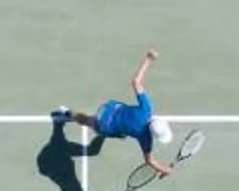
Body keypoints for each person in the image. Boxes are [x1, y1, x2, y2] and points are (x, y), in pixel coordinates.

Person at [51, 47, 178, 180]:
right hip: (103, 124)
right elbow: (150, 161)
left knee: (121, 132)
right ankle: (69, 114)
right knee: (92, 142)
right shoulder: (145, 138)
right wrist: (164, 169)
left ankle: (114, 129)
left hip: (109, 107)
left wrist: (148, 59)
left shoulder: (147, 109)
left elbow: (136, 82)